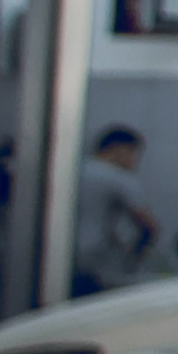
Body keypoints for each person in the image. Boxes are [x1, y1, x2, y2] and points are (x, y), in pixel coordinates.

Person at [68, 124, 156, 297]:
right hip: (94, 262)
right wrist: (133, 260)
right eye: (133, 154)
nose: (134, 161)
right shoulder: (119, 178)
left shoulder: (74, 171)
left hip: (64, 256)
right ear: (118, 149)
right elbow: (148, 226)